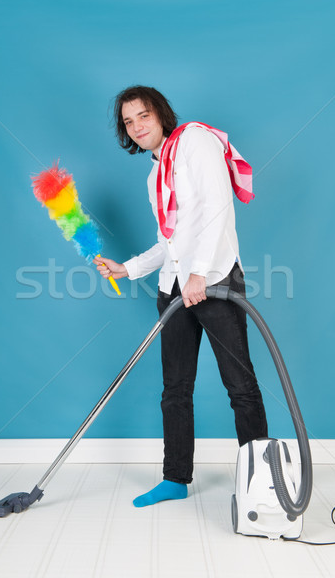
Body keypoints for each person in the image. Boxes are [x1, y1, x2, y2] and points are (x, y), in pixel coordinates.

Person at [93, 85, 268, 507]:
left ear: (161, 113)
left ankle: (262, 482)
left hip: (215, 281)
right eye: (128, 122)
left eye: (143, 116)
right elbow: (168, 242)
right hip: (174, 289)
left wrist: (199, 275)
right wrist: (128, 268)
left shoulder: (194, 140)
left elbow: (217, 207)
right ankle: (175, 478)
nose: (136, 127)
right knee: (175, 387)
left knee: (239, 386)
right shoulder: (155, 172)